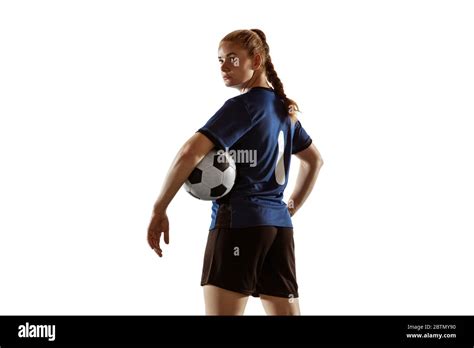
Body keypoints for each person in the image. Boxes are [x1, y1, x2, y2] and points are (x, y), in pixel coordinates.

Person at [147, 29, 324, 315]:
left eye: (232, 58)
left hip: (238, 226)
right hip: (278, 229)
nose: (224, 66)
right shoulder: (283, 110)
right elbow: (314, 160)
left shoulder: (243, 107)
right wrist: (288, 208)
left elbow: (189, 153)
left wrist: (159, 209)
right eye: (219, 60)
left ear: (256, 60)